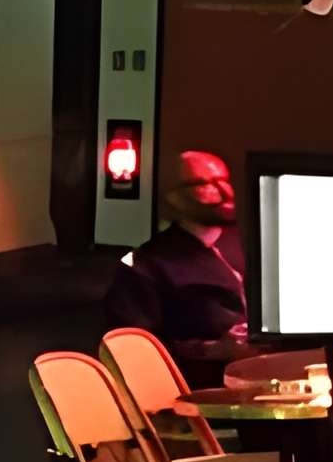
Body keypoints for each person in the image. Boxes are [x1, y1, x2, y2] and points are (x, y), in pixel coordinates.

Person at [104, 149, 250, 379]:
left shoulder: (252, 245)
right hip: (202, 389)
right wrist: (213, 350)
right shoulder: (146, 266)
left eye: (223, 180)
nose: (223, 191)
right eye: (204, 184)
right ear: (173, 197)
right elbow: (132, 350)